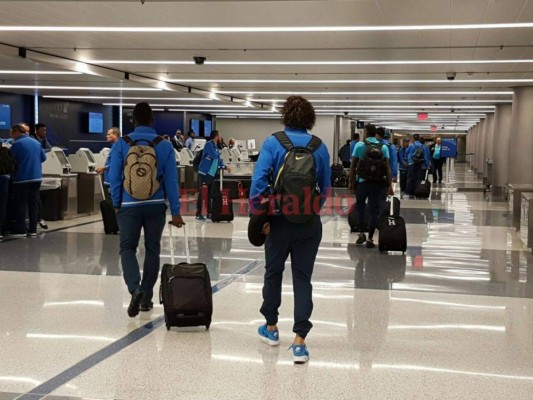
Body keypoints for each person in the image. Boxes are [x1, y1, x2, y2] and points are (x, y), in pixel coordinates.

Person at [250, 95, 331, 364]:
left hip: (277, 220)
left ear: (285, 116)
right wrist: (310, 208)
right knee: (302, 278)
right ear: (310, 119)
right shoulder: (319, 147)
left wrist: (258, 216)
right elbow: (326, 187)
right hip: (309, 223)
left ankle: (271, 328)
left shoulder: (273, 142)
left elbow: (259, 181)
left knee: (273, 273)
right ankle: (300, 341)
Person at [108, 102, 185, 318]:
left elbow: (114, 177)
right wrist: (176, 211)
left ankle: (135, 289)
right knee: (152, 249)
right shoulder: (164, 145)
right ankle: (147, 298)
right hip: (155, 205)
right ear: (152, 120)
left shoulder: (122, 144)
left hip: (129, 206)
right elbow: (171, 181)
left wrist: (116, 203)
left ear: (133, 120)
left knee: (127, 248)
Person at [349, 124, 393, 248]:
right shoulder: (384, 147)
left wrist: (351, 183)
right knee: (374, 210)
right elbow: (387, 168)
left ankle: (362, 233)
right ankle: (370, 239)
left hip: (362, 183)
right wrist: (389, 185)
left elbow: (353, 166)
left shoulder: (359, 145)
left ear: (366, 133)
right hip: (377, 184)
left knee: (360, 207)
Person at [9, 123, 47, 238]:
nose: (11, 136)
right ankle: (33, 230)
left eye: (12, 134)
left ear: (16, 132)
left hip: (22, 178)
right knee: (33, 204)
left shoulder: (16, 144)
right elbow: (43, 158)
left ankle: (21, 230)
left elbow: (11, 161)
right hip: (36, 178)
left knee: (21, 204)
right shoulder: (36, 143)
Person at [196, 130, 231, 220]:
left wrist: (225, 167)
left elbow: (218, 161)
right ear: (216, 136)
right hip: (205, 173)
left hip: (212, 174)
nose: (220, 137)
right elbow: (214, 156)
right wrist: (219, 152)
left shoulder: (215, 146)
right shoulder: (209, 144)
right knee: (202, 193)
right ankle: (198, 213)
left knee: (209, 194)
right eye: (219, 135)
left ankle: (209, 212)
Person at [405, 134, 432, 198]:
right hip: (421, 165)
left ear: (413, 138)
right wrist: (427, 165)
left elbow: (407, 153)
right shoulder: (423, 146)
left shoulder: (411, 146)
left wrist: (409, 161)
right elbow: (426, 156)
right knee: (420, 179)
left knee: (411, 178)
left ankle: (410, 192)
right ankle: (419, 191)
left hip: (412, 164)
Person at [96, 127, 120, 196]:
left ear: (115, 135)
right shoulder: (114, 146)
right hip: (110, 180)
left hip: (113, 181)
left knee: (113, 201)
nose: (107, 136)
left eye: (109, 134)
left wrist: (104, 168)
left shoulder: (117, 147)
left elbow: (117, 163)